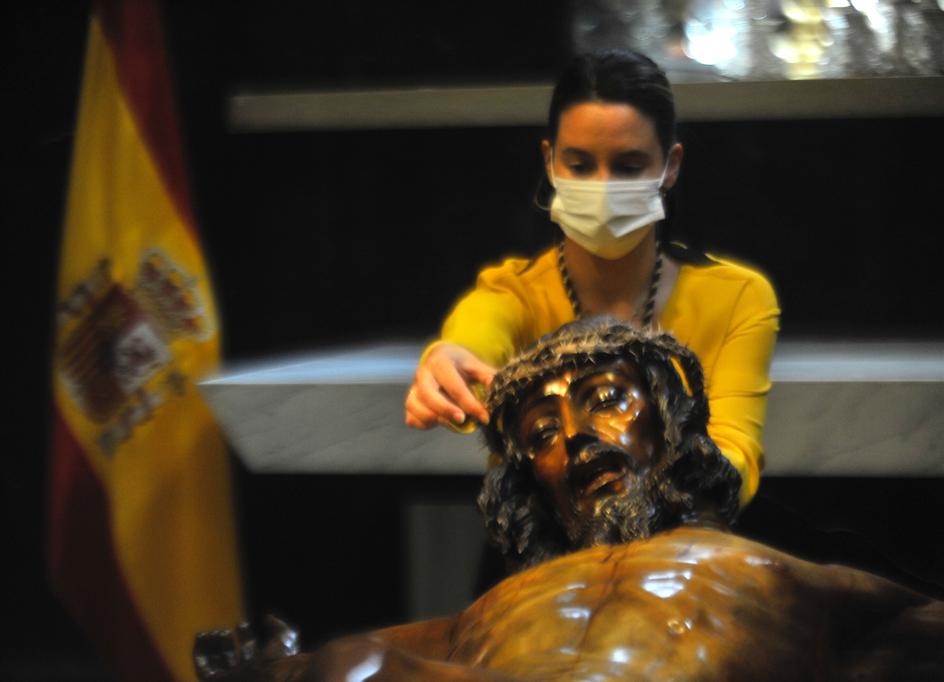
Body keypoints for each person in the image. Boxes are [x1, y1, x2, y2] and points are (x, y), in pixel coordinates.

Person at [196, 319, 942, 681]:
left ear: (667, 421)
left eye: (607, 400)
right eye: (543, 431)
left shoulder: (762, 573)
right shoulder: (491, 609)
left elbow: (910, 626)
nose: (578, 437)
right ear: (533, 479)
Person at [404, 49, 779, 508]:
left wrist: (672, 507)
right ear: (550, 162)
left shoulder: (736, 298)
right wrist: (449, 362)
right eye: (580, 166)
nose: (602, 187)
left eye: (628, 166)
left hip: (685, 546)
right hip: (545, 559)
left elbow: (735, 454)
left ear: (671, 166)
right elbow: (476, 338)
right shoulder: (514, 294)